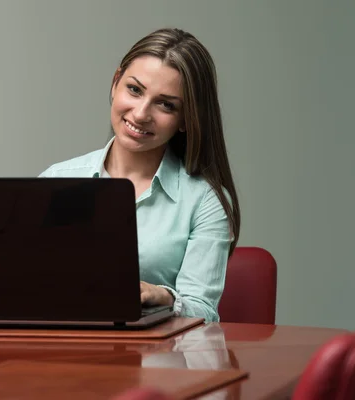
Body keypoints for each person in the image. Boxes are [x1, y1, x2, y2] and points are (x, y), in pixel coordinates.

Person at [38, 28, 240, 323]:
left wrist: (165, 297)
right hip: (62, 356)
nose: (141, 113)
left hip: (157, 363)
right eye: (134, 89)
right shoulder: (56, 181)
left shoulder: (205, 200)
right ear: (115, 83)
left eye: (166, 104)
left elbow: (204, 312)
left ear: (186, 119)